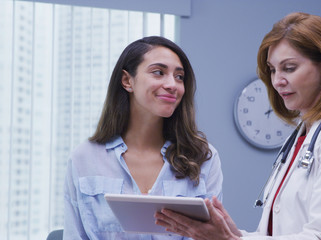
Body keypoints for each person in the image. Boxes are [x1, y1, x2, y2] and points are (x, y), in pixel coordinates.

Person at [155, 12, 321, 240]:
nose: (277, 81)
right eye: (273, 70)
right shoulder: (298, 139)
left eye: (289, 68)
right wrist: (233, 234)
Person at [63, 36, 223, 239]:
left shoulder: (204, 158)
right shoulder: (84, 158)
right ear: (127, 80)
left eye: (179, 77)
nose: (172, 84)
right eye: (159, 72)